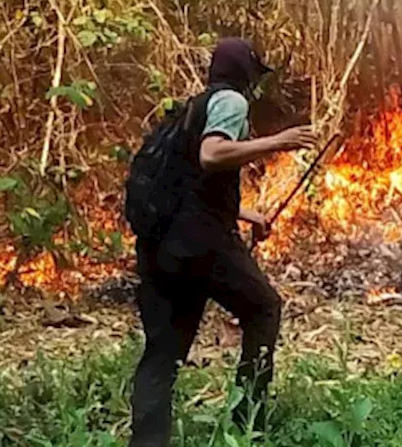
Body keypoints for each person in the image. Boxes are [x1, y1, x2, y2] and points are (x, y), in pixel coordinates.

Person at [131, 37, 316, 445]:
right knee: (265, 309)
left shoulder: (191, 108)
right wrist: (278, 142)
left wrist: (246, 213)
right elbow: (212, 156)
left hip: (160, 247)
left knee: (163, 355)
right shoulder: (231, 102)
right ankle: (245, 424)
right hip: (203, 244)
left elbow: (187, 182)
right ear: (244, 74)